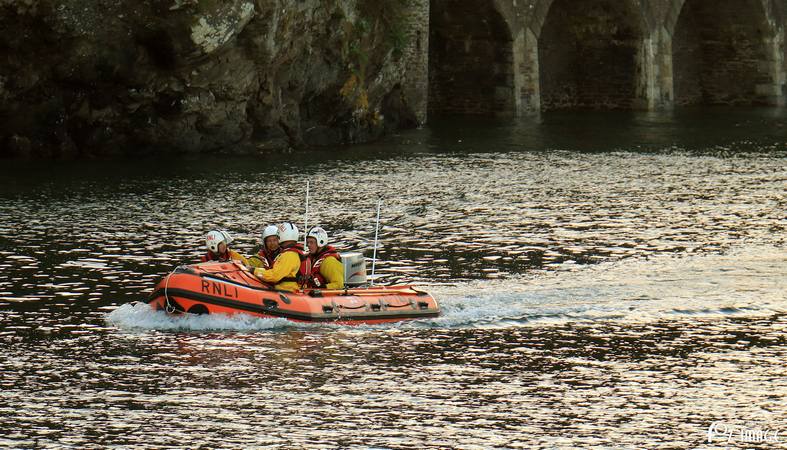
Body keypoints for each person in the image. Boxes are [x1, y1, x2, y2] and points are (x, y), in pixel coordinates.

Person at [250, 222, 307, 292]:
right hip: (291, 291)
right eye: (269, 241)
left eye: (276, 238)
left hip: (288, 292)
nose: (273, 243)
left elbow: (274, 275)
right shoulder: (295, 252)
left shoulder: (289, 255)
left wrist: (254, 271)